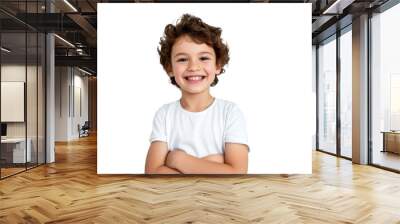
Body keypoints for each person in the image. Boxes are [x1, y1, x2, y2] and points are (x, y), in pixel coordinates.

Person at [145, 14, 249, 174]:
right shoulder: (164, 114)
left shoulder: (230, 112)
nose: (194, 66)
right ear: (169, 68)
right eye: (182, 59)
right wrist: (215, 163)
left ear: (218, 65)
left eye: (203, 57)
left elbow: (237, 172)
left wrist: (177, 160)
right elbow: (153, 172)